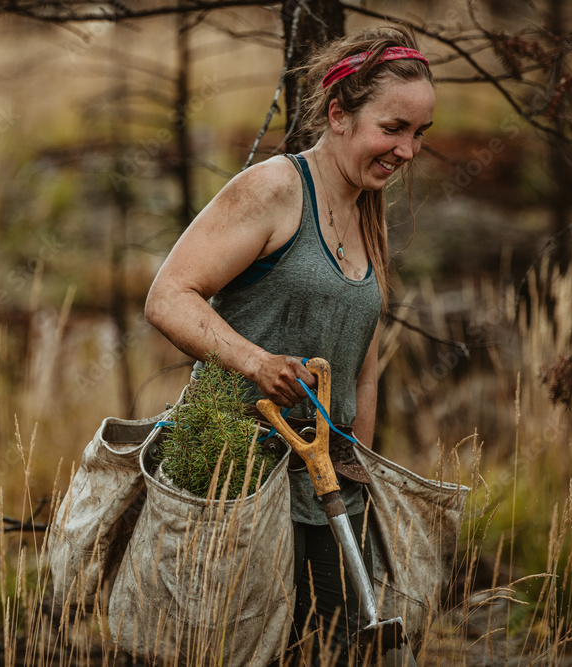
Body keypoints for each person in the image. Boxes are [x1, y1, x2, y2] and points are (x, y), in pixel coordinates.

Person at [144, 25, 435, 665]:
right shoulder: (275, 189)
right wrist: (256, 362)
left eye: (419, 133)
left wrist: (356, 463)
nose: (408, 150)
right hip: (238, 477)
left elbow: (363, 365)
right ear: (338, 115)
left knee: (333, 648)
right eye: (393, 128)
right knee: (239, 650)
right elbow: (168, 296)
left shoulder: (368, 210)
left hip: (329, 485)